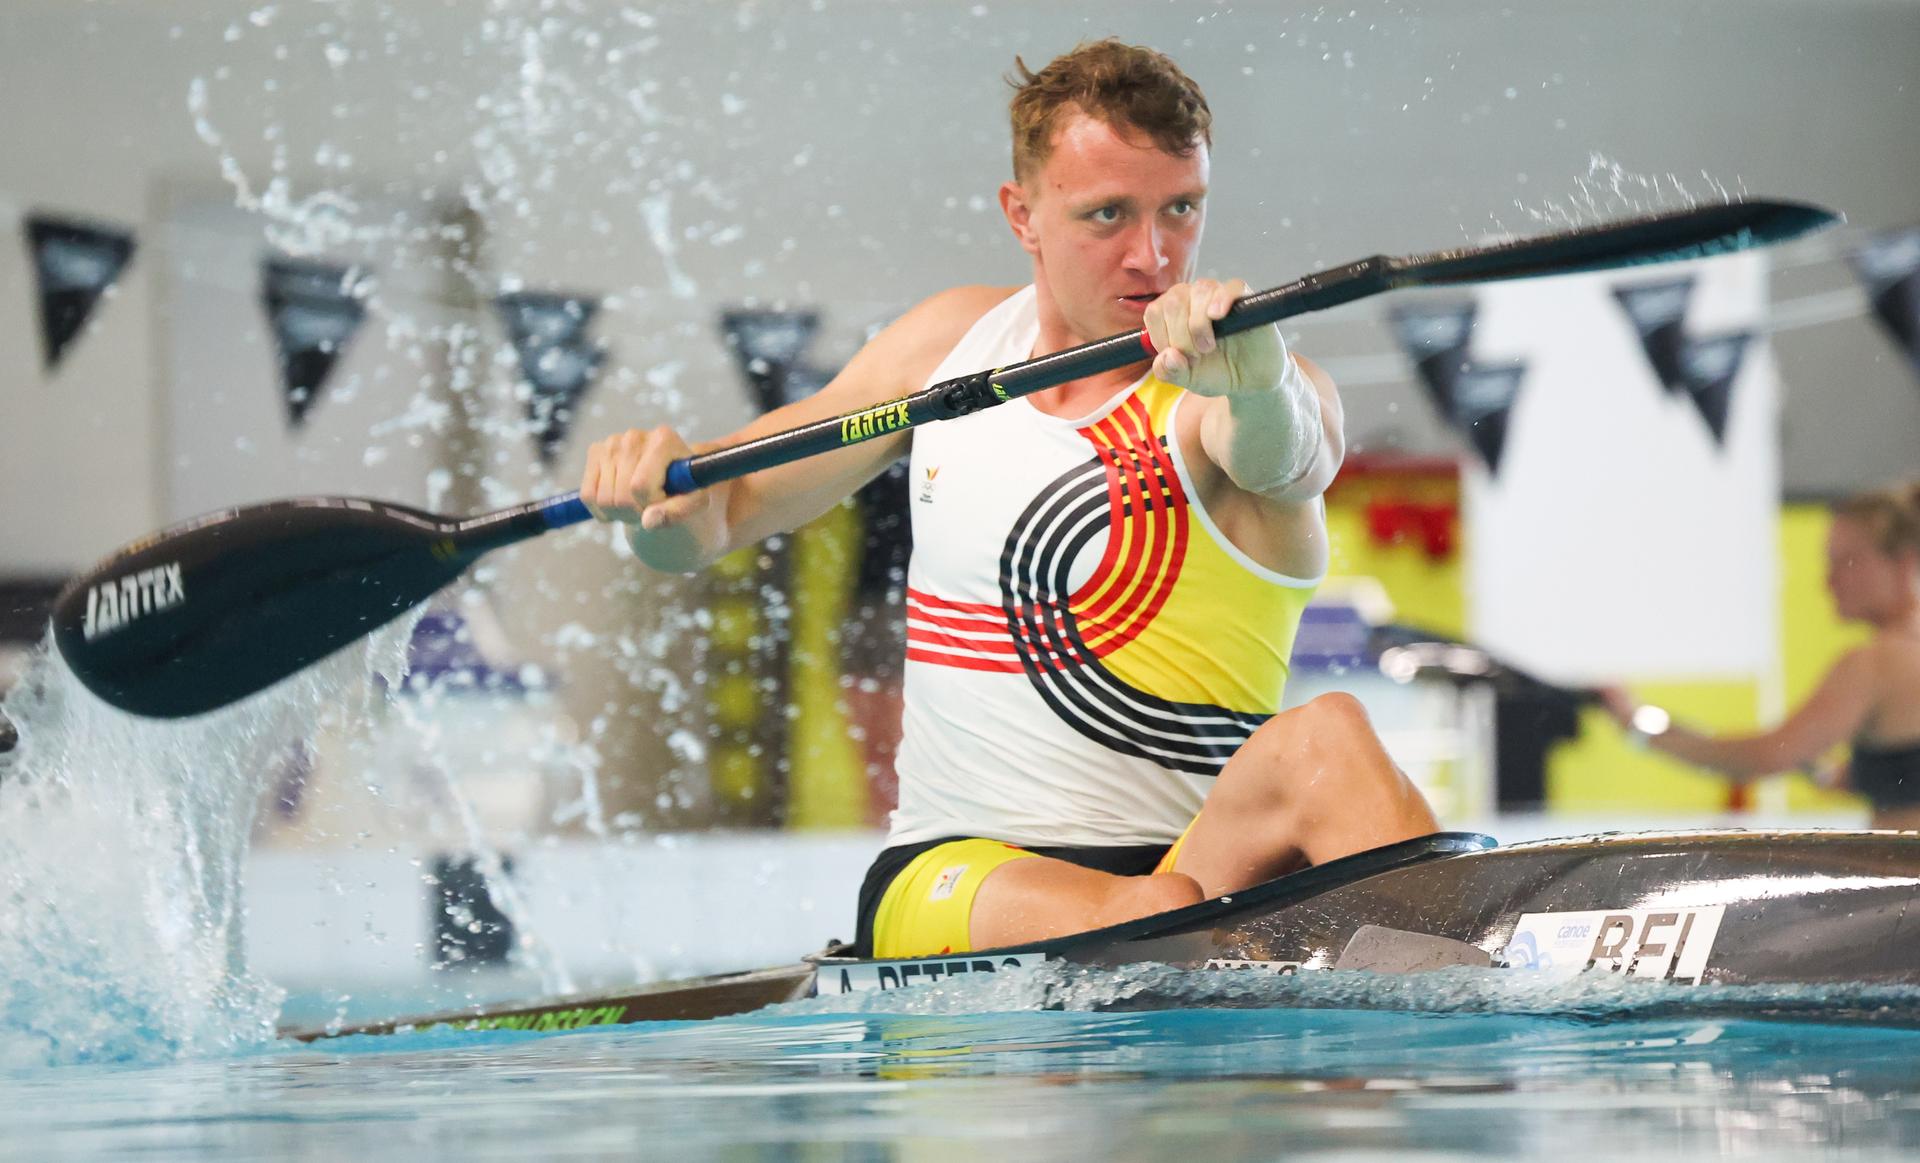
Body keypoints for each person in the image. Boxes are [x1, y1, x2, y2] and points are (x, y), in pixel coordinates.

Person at [581, 40, 1438, 958]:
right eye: (1107, 214)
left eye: (1180, 209)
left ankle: (1463, 1001)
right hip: (953, 875)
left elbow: (1288, 457)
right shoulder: (947, 344)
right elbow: (715, 519)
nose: (1152, 255)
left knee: (1331, 737)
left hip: (1190, 876)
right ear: (1022, 215)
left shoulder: (1242, 389)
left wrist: (1259, 376)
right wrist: (654, 502)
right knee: (1151, 914)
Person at [1602, 481, 1920, 828]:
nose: (1829, 581)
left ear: (1904, 562)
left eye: (1847, 561)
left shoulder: (1877, 663)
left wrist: (1640, 729)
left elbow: (1767, 755)